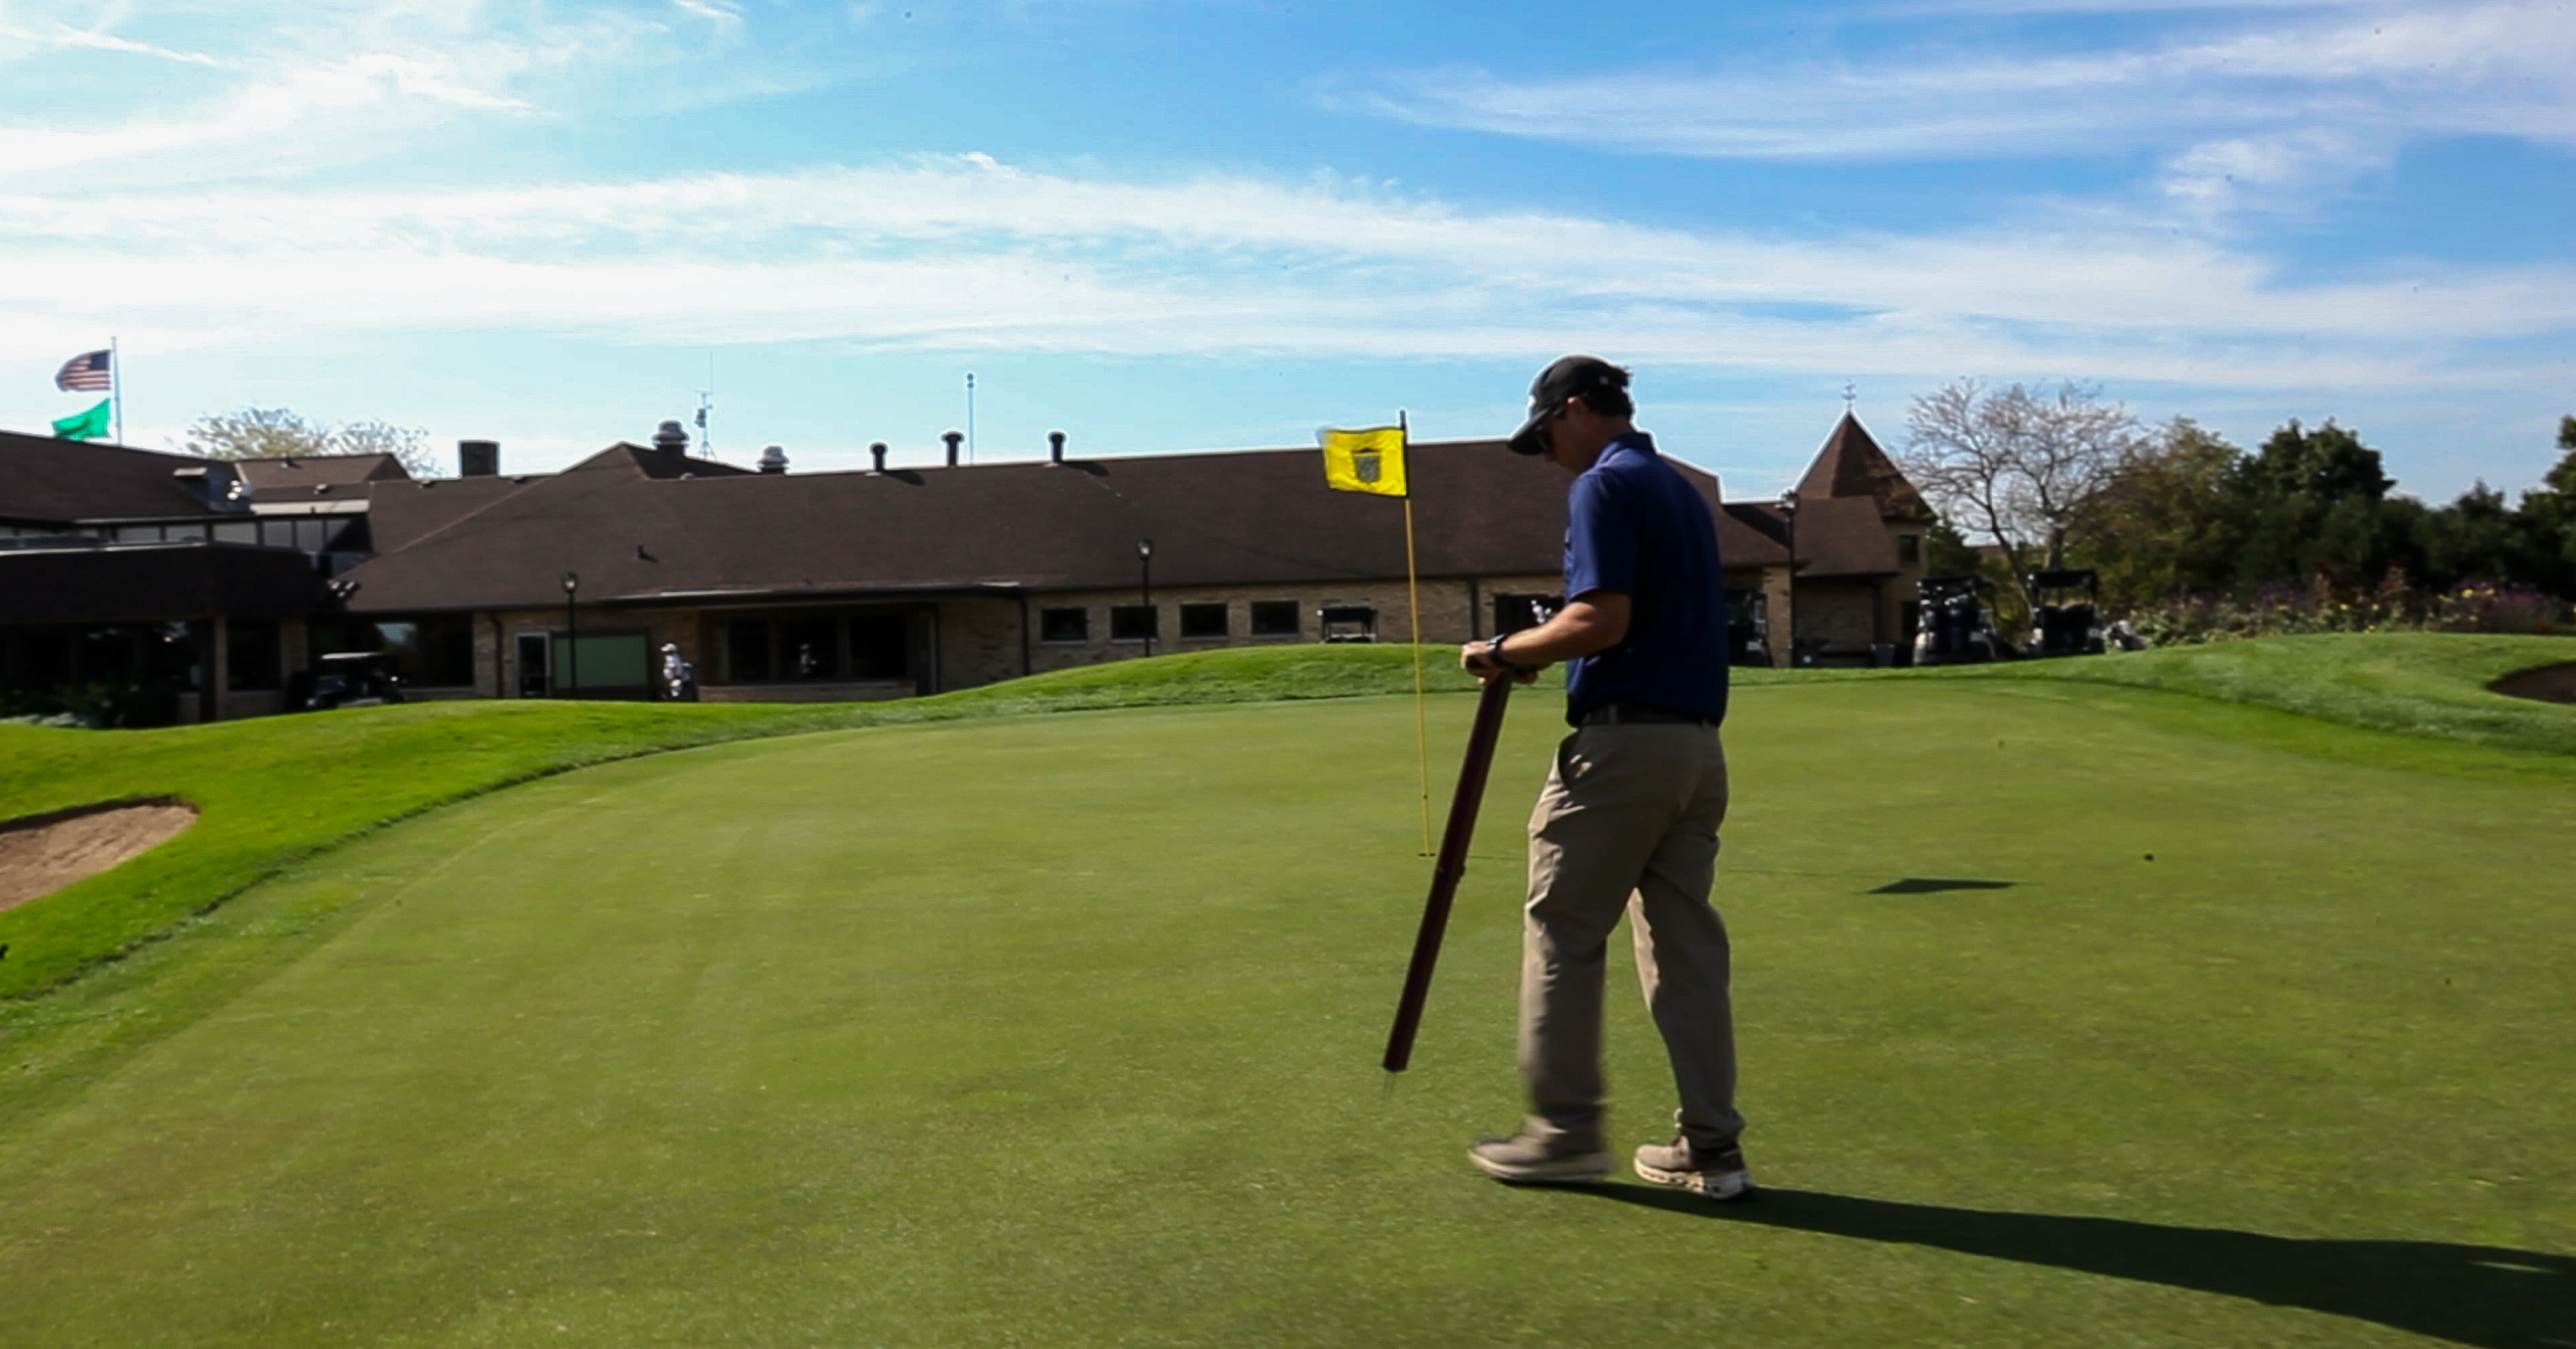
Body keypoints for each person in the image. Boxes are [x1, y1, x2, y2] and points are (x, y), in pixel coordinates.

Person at [1458, 355, 1750, 1200]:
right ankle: (1714, 1149)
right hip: (1696, 749)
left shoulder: (1604, 485)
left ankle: (1563, 1134)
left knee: (1562, 925)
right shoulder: (1677, 490)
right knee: (1683, 943)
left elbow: (1600, 617)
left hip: (1624, 749)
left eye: (1548, 431)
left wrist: (1503, 651)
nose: (1549, 451)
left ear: (1579, 409)